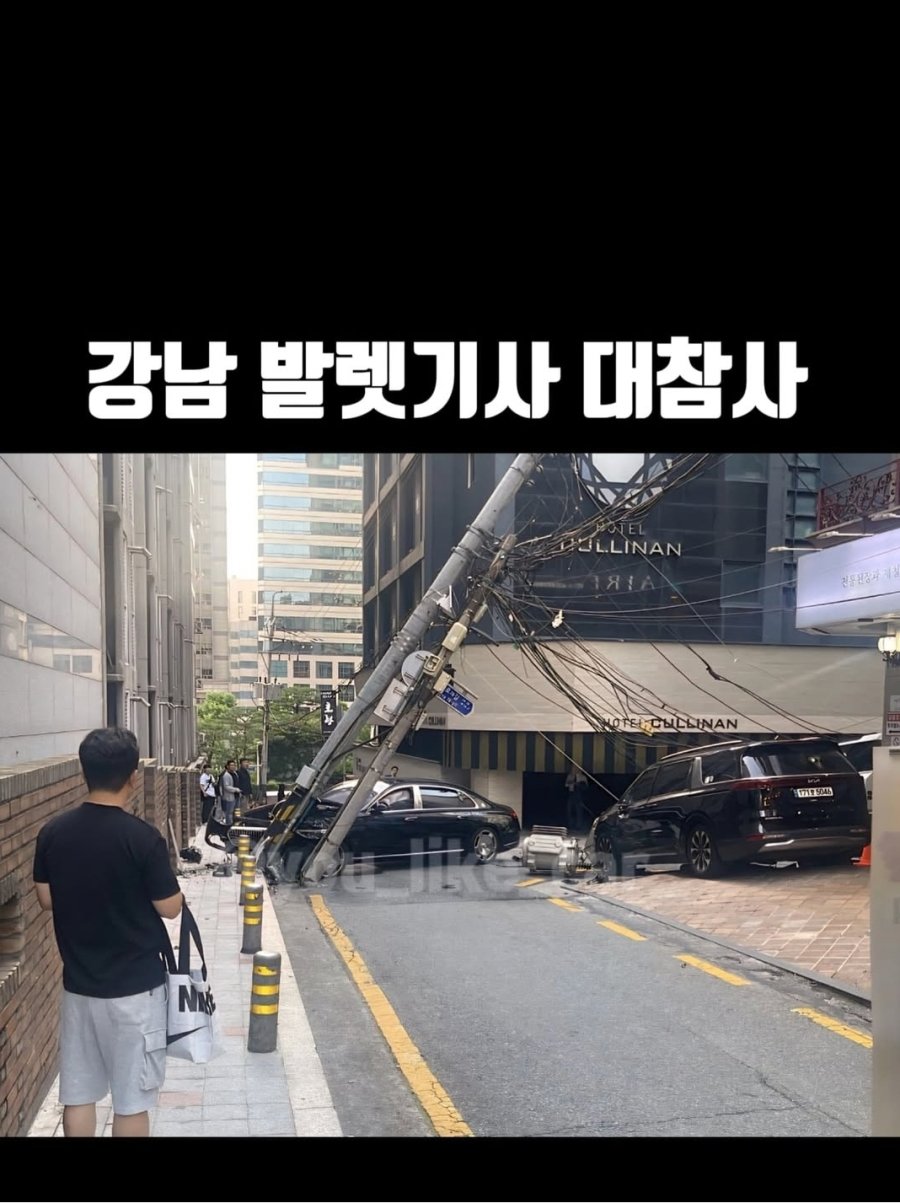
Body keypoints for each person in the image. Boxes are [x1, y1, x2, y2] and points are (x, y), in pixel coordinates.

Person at [32, 727, 183, 1138]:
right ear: (133, 776)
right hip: (136, 991)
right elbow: (170, 908)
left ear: (84, 772)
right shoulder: (142, 838)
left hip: (80, 986)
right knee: (131, 1100)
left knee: (79, 1093)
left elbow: (46, 899)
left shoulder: (53, 832)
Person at [564, 767, 590, 833]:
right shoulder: (570, 776)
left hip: (579, 794)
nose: (574, 770)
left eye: (576, 769)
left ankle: (579, 825)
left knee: (579, 811)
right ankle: (570, 825)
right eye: (573, 769)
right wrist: (572, 783)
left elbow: (586, 787)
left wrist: (580, 784)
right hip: (571, 793)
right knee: (569, 810)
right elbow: (566, 785)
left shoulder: (583, 777)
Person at [218, 758, 240, 826]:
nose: (233, 767)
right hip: (230, 797)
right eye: (231, 765)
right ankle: (229, 825)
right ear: (227, 766)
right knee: (229, 812)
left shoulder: (235, 774)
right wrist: (235, 789)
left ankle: (236, 825)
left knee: (237, 812)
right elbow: (226, 786)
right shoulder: (226, 775)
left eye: (234, 765)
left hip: (237, 796)